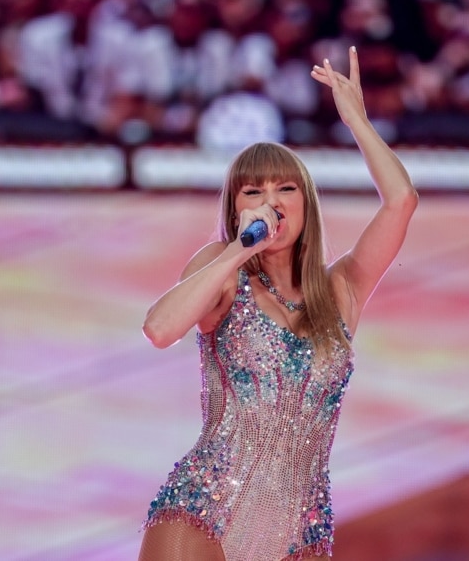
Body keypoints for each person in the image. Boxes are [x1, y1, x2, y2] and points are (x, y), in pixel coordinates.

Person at [139, 47, 418, 561]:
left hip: (300, 531)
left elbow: (401, 201)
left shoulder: (342, 290)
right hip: (206, 509)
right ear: (235, 208)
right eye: (253, 191)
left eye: (286, 188)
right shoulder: (221, 271)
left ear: (305, 205)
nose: (271, 200)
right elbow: (160, 328)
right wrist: (238, 250)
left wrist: (356, 119)